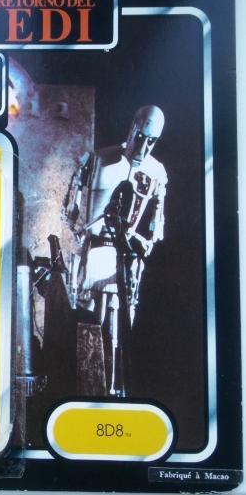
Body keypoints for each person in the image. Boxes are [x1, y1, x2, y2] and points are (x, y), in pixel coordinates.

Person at [62, 105, 167, 396]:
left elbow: (156, 226)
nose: (143, 147)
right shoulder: (98, 159)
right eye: (141, 137)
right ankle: (89, 391)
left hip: (127, 261)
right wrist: (81, 231)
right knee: (89, 325)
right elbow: (70, 209)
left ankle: (116, 390)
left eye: (152, 141)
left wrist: (142, 241)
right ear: (132, 128)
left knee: (120, 330)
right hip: (95, 254)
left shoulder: (156, 172)